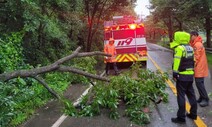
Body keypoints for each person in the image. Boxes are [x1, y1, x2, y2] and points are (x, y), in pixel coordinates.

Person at [170, 31, 197, 124]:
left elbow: (177, 62)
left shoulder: (179, 48)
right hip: (190, 75)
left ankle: (181, 118)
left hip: (182, 76)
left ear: (178, 38)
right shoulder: (190, 48)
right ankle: (193, 114)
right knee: (191, 95)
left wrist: (174, 73)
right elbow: (194, 61)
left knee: (181, 96)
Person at [190, 31, 209, 107]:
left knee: (199, 84)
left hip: (199, 67)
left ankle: (205, 99)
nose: (190, 38)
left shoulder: (197, 45)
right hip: (201, 67)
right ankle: (202, 97)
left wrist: (192, 66)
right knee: (200, 83)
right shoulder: (197, 43)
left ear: (195, 35)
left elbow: (196, 57)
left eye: (191, 36)